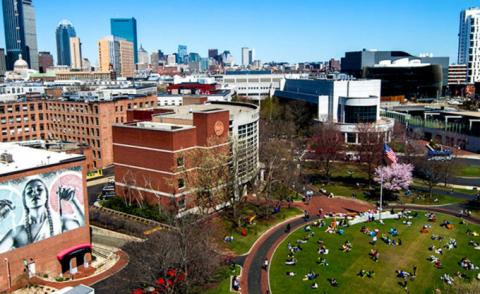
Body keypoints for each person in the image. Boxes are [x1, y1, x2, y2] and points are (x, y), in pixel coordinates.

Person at [0, 179, 84, 252]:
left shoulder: (60, 221)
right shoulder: (17, 232)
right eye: (29, 192)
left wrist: (73, 200)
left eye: (39, 189)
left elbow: (84, 229)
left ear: (46, 196)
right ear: (24, 201)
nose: (35, 192)